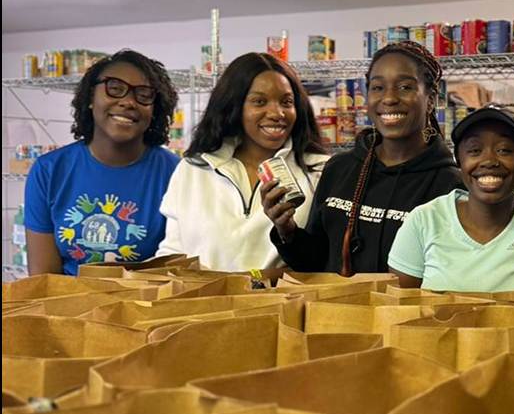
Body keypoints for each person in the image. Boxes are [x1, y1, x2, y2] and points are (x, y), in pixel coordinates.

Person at [262, 41, 463, 275]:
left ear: (430, 99)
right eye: (377, 87)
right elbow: (315, 263)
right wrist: (287, 230)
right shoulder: (339, 169)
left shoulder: (450, 186)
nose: (389, 98)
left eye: (405, 87)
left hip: (405, 312)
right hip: (333, 309)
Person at [388, 105, 514, 302]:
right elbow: (402, 310)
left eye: (504, 150)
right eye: (475, 150)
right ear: (460, 161)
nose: (489, 161)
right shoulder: (424, 220)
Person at [157, 52, 329, 271]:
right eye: (259, 101)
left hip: (287, 303)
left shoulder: (321, 170)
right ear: (234, 107)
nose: (277, 113)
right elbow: (172, 254)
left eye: (286, 102)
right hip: (203, 302)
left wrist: (288, 232)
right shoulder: (192, 170)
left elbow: (326, 260)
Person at [24, 49, 179, 275]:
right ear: (90, 98)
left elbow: (176, 272)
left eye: (144, 95)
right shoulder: (49, 171)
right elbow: (43, 280)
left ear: (155, 110)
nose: (128, 102)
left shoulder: (175, 173)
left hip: (149, 307)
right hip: (67, 307)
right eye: (115, 89)